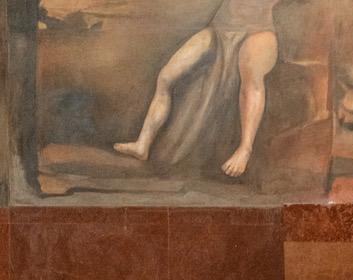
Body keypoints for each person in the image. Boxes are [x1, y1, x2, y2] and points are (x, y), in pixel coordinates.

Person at [113, 0, 281, 176]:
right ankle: (142, 144)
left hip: (258, 32)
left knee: (251, 82)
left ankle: (244, 149)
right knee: (166, 76)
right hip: (218, 30)